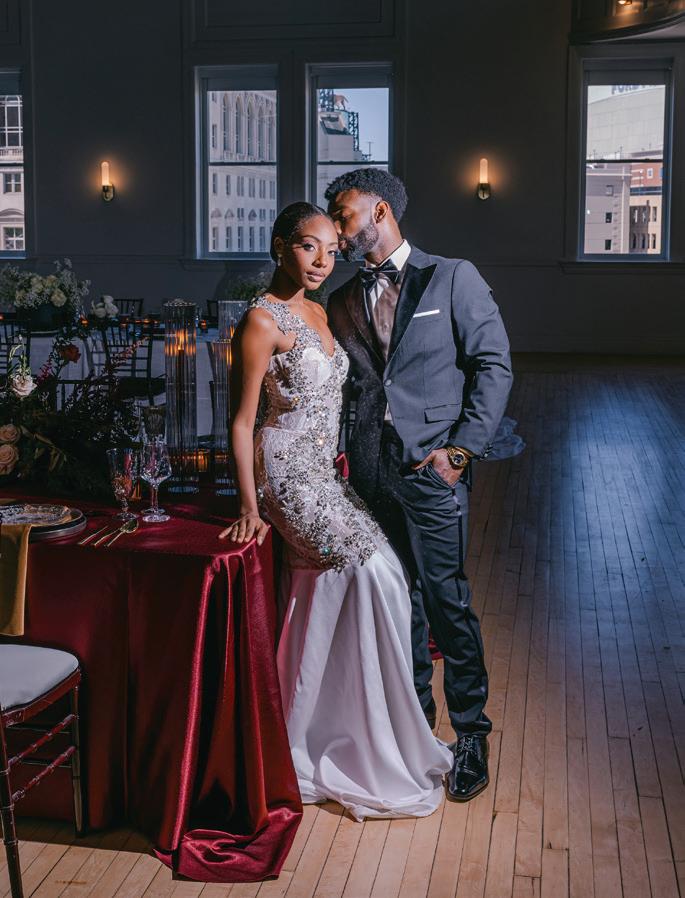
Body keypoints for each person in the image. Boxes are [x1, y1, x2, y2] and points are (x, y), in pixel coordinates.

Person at [220, 201, 453, 821]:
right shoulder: (260, 320)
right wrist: (249, 504)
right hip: (286, 476)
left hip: (326, 474)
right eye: (308, 247)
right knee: (372, 573)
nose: (323, 261)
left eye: (330, 249)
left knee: (387, 576)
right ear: (279, 248)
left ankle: (345, 728)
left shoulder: (321, 311)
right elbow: (241, 423)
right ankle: (347, 739)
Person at [325, 169, 513, 801]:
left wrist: (458, 453)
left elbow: (493, 366)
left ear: (380, 211)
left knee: (445, 602)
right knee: (396, 602)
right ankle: (415, 730)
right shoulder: (342, 300)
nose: (337, 228)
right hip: (370, 472)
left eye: (344, 214)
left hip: (432, 472)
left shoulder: (452, 277)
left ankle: (471, 735)